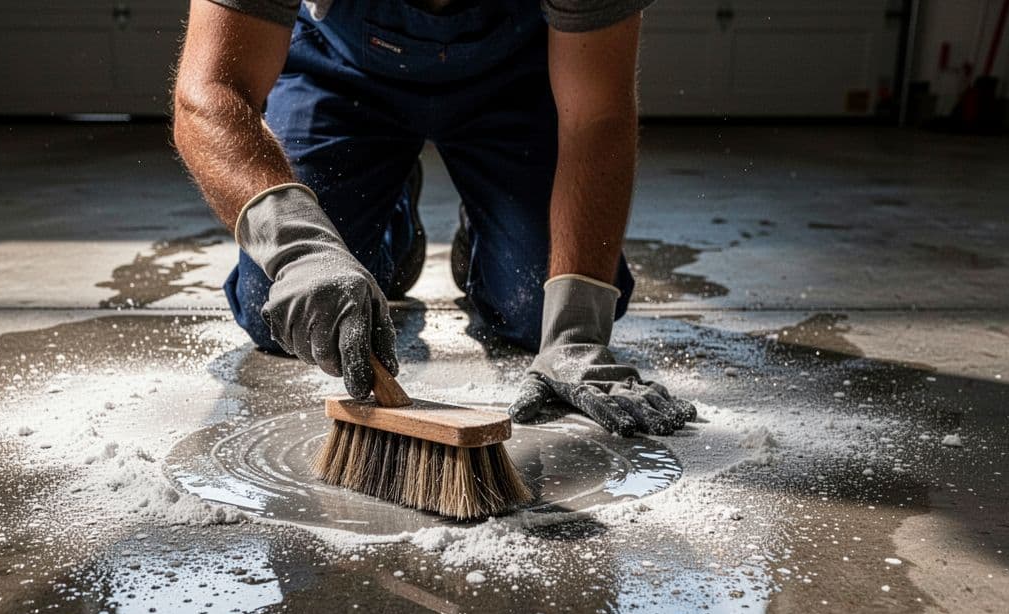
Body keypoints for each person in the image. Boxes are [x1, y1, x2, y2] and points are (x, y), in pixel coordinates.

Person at [173, 0, 696, 437]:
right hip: (341, 71)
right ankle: (388, 223)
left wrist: (577, 331)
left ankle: (488, 230)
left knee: (536, 308)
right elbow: (210, 90)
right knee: (287, 311)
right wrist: (302, 251)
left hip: (521, 73)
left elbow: (597, 112)